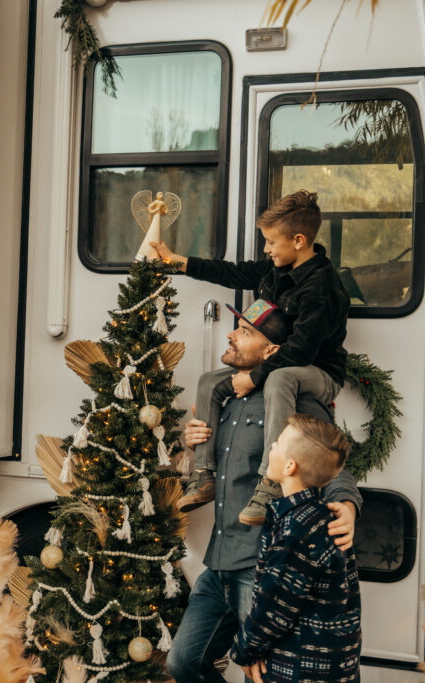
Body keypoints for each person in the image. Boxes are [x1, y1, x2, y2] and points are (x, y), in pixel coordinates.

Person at [165, 303, 361, 683]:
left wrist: (348, 506)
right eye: (237, 327)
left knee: (261, 672)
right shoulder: (222, 398)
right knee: (183, 662)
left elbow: (325, 457)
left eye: (245, 331)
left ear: (272, 351)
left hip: (258, 566)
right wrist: (190, 444)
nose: (231, 335)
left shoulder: (290, 401)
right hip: (218, 561)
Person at [152, 189, 350, 525]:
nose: (267, 249)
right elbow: (233, 273)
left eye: (272, 242)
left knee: (281, 377)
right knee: (211, 381)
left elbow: (300, 350)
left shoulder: (321, 288)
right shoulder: (275, 269)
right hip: (273, 362)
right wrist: (176, 261)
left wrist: (252, 377)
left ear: (299, 240)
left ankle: (269, 483)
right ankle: (203, 474)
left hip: (317, 372)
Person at [230, 414, 361, 682]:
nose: (272, 447)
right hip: (335, 664)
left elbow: (275, 605)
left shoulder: (295, 528)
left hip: (299, 667)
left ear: (290, 466)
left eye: (277, 443)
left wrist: (244, 651)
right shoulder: (322, 517)